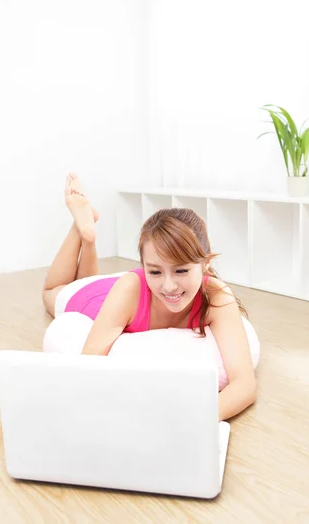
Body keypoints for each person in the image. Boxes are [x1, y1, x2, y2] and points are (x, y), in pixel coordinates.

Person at [42, 173, 257, 421]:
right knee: (53, 291)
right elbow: (89, 367)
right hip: (97, 298)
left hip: (128, 294)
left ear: (205, 264)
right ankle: (82, 233)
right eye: (154, 271)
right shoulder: (130, 287)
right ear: (143, 266)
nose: (169, 286)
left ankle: (88, 235)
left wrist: (189, 421)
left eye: (181, 270)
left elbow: (245, 386)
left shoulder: (217, 296)